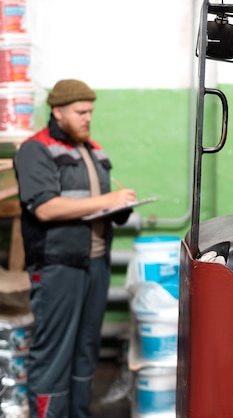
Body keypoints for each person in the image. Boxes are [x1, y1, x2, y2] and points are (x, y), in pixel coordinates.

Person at [13, 79, 137, 418]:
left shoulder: (92, 149)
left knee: (86, 352)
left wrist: (118, 206)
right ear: (57, 111)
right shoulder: (36, 149)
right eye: (80, 112)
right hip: (58, 266)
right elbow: (45, 208)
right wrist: (107, 199)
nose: (87, 118)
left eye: (90, 112)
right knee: (53, 354)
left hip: (95, 263)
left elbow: (91, 203)